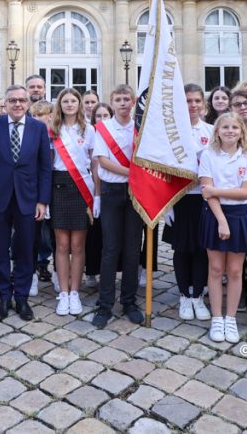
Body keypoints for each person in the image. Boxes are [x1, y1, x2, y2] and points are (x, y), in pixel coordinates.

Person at [0, 84, 51, 322]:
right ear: (6, 104)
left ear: (28, 103)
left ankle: (21, 296)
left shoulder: (38, 128)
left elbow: (45, 167)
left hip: (29, 199)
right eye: (13, 100)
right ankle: (4, 296)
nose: (18, 104)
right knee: (0, 248)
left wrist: (43, 200)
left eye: (22, 100)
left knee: (25, 249)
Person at [199, 113, 247, 343]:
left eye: (235, 127)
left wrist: (216, 190)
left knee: (234, 270)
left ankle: (230, 318)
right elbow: (206, 192)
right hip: (215, 215)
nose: (230, 131)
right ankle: (217, 318)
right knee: (215, 268)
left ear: (242, 132)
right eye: (225, 127)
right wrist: (221, 220)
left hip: (241, 216)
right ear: (217, 131)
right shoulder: (208, 155)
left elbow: (245, 192)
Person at [92, 85, 144, 328]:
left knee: (133, 250)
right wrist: (134, 173)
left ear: (133, 101)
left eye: (126, 99)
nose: (123, 103)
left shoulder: (140, 129)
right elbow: (103, 161)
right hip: (113, 191)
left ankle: (129, 302)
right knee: (110, 249)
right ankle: (104, 305)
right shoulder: (102, 128)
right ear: (111, 103)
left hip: (135, 194)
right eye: (118, 99)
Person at [164, 84, 213, 322]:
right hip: (179, 198)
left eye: (196, 101)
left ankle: (197, 296)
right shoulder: (170, 132)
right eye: (187, 101)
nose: (192, 105)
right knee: (182, 249)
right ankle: (184, 295)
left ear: (204, 105)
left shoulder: (212, 131)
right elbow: (162, 170)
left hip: (204, 198)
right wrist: (167, 204)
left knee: (202, 249)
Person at [48, 88, 96, 316]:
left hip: (81, 188)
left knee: (78, 245)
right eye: (65, 101)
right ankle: (63, 293)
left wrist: (97, 195)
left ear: (79, 104)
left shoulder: (89, 129)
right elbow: (47, 165)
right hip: (58, 186)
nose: (69, 104)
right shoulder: (52, 130)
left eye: (73, 101)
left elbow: (94, 164)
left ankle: (75, 292)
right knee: (61, 245)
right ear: (60, 104)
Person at [84, 103, 114, 288]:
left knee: (109, 236)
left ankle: (108, 273)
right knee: (92, 235)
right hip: (91, 190)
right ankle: (91, 271)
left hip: (111, 190)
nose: (102, 120)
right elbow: (94, 167)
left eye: (105, 116)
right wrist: (96, 195)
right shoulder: (91, 135)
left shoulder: (115, 135)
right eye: (98, 116)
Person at [29, 100, 56, 292]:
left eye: (42, 115)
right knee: (33, 235)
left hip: (57, 190)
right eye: (35, 116)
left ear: (51, 116)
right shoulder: (30, 136)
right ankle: (31, 274)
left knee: (54, 235)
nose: (38, 119)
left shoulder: (58, 137)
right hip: (35, 191)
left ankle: (56, 272)